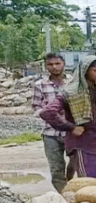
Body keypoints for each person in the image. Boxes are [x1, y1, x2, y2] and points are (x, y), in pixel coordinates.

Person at [40, 56, 96, 179]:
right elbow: (47, 112)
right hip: (83, 146)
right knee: (90, 186)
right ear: (85, 71)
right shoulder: (70, 92)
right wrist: (71, 127)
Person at [32, 53, 70, 191]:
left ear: (63, 63)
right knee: (56, 168)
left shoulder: (73, 83)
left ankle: (73, 190)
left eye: (57, 63)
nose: (54, 67)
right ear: (46, 66)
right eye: (50, 64)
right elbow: (36, 107)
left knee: (77, 164)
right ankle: (64, 197)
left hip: (72, 131)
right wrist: (46, 114)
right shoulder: (40, 85)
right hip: (50, 132)